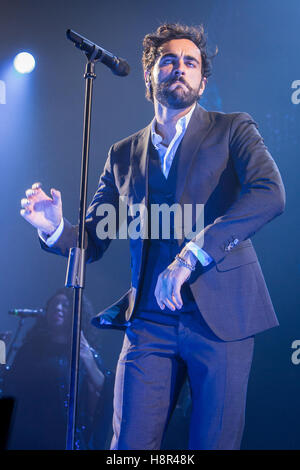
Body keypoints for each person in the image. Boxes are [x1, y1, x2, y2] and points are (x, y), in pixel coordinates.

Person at [20, 23, 286, 450]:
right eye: (168, 60)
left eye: (190, 62)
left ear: (202, 79)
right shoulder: (123, 154)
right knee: (128, 447)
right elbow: (94, 236)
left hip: (221, 320)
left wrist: (189, 256)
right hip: (148, 322)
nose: (180, 68)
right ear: (150, 75)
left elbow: (270, 194)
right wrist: (53, 227)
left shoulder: (232, 128)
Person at [4, 288, 113, 450]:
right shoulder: (30, 348)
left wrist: (89, 360)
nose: (58, 308)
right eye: (54, 304)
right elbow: (9, 384)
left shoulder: (83, 354)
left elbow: (103, 390)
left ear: (76, 313)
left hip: (59, 437)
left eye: (65, 305)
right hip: (24, 432)